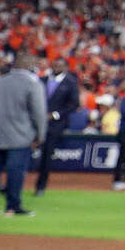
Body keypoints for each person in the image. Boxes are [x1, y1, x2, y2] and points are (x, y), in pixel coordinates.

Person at [0, 54, 46, 217]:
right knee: (16, 171)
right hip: (20, 135)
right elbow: (39, 113)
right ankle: (12, 207)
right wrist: (40, 135)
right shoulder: (32, 83)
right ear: (29, 66)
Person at [35, 56, 80, 196]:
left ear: (66, 67)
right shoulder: (42, 80)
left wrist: (55, 115)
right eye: (54, 65)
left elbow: (74, 104)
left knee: (47, 155)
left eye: (59, 65)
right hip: (36, 122)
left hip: (56, 124)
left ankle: (41, 186)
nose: (56, 68)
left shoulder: (71, 83)